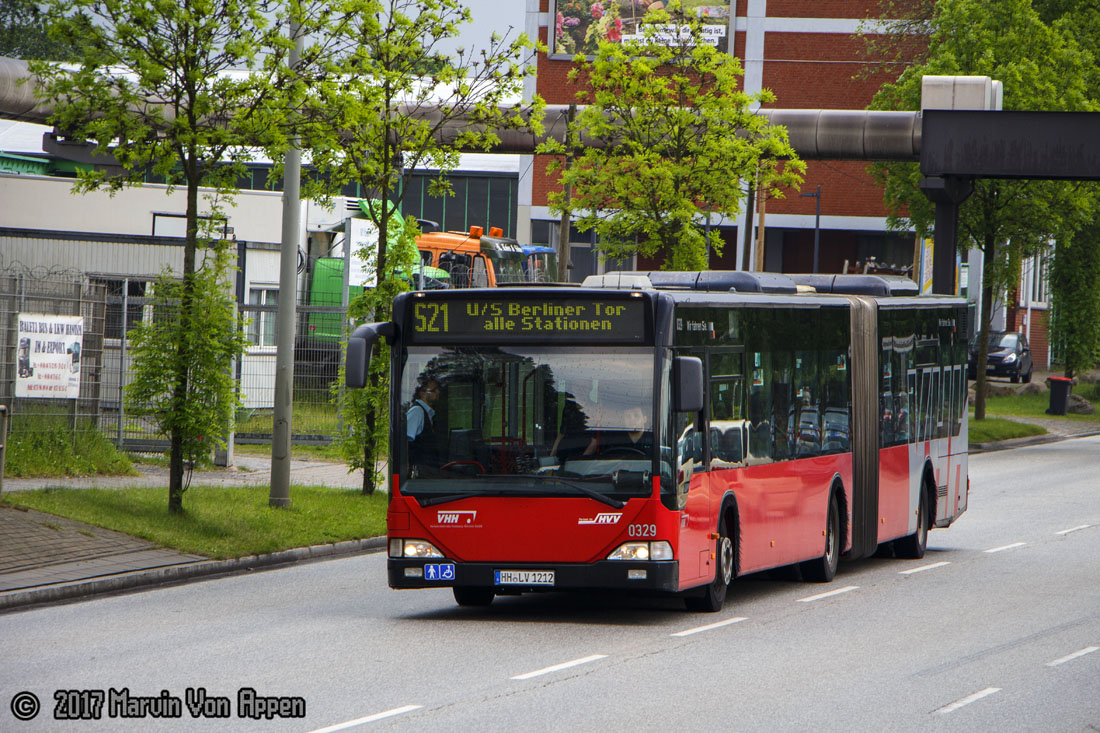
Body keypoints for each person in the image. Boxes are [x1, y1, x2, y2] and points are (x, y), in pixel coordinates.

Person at [583, 405, 651, 457]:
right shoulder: (613, 440)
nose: (631, 419)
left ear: (644, 419)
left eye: (636, 415)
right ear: (623, 419)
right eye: (627, 416)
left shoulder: (653, 439)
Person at [407, 378, 441, 467]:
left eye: (438, 389)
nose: (438, 392)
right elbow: (406, 444)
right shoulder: (417, 412)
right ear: (422, 393)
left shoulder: (428, 413)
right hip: (420, 471)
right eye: (434, 390)